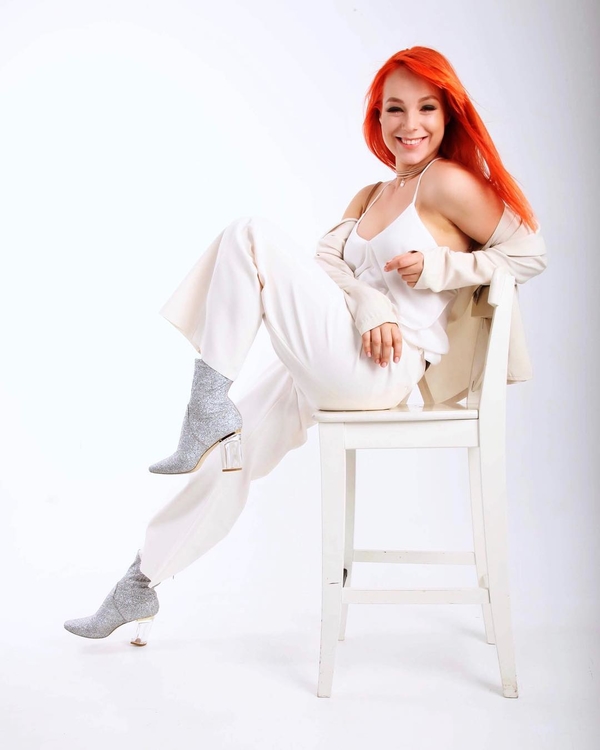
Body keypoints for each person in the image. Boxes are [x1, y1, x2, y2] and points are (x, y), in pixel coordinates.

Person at [64, 47, 546, 645]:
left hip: (383, 367)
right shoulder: (371, 195)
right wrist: (367, 300)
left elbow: (529, 254)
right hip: (342, 350)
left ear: (448, 115)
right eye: (394, 109)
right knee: (231, 452)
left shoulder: (448, 182)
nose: (410, 124)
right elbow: (326, 263)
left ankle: (206, 401)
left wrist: (441, 268)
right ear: (377, 117)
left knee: (249, 235)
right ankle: (140, 582)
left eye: (427, 108)